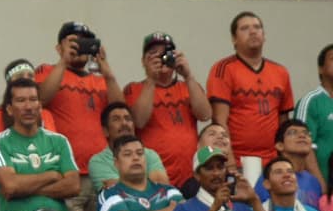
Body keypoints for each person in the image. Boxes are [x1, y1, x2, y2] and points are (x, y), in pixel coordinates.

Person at [35, 21, 124, 211]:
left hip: (101, 174)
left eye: (85, 42)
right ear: (59, 47)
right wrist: (63, 61)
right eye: (73, 41)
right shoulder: (48, 70)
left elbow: (120, 113)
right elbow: (42, 98)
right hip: (68, 175)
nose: (80, 46)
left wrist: (108, 73)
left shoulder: (100, 80)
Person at [0, 77, 79, 211]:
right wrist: (51, 176)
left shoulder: (59, 141)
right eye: (21, 100)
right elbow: (10, 186)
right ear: (9, 109)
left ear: (40, 106)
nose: (28, 107)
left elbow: (73, 186)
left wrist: (26, 190)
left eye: (33, 100)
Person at [124, 32, 212, 188]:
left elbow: (205, 114)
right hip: (154, 177)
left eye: (165, 53)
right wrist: (151, 79)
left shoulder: (188, 87)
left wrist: (189, 75)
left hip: (189, 178)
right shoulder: (134, 89)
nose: (160, 58)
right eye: (153, 54)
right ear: (143, 61)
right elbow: (139, 121)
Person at [208, 11, 294, 168]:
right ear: (234, 39)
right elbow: (219, 120)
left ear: (264, 35)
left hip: (273, 161)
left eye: (257, 27)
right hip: (238, 160)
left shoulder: (281, 72)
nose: (253, 31)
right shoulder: (223, 69)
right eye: (245, 28)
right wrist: (229, 159)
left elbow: (284, 121)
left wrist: (284, 159)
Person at [87, 103, 170, 191]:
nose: (124, 123)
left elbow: (161, 185)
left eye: (128, 119)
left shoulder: (150, 154)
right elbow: (118, 192)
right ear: (105, 131)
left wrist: (124, 183)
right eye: (116, 119)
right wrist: (149, 184)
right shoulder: (98, 161)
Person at [295, 44, 333, 178]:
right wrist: (320, 184)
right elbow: (301, 147)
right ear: (320, 69)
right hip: (321, 188)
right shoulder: (310, 101)